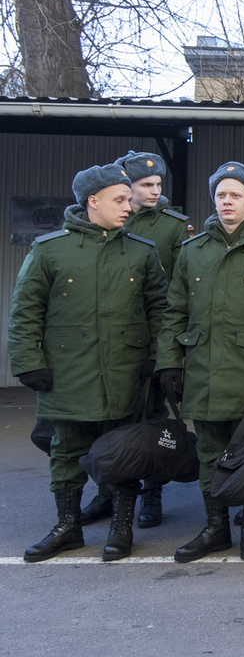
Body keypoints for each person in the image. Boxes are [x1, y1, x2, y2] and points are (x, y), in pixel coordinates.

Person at [10, 162, 167, 562]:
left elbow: (161, 312)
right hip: (69, 374)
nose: (128, 207)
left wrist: (158, 360)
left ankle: (121, 527)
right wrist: (29, 362)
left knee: (125, 451)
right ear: (92, 201)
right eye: (119, 199)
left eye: (129, 200)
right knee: (66, 451)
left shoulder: (141, 253)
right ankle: (68, 527)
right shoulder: (50, 250)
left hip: (126, 374)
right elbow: (25, 311)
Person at [157, 161, 244, 562]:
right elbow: (174, 312)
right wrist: (169, 362)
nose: (226, 202)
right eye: (220, 195)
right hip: (203, 367)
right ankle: (215, 527)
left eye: (235, 195)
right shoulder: (193, 251)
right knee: (209, 452)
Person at [104, 150, 195, 530]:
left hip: (156, 336)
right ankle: (107, 492)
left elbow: (180, 291)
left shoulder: (175, 226)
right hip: (113, 337)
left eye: (158, 184)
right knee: (110, 418)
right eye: (146, 185)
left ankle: (152, 494)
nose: (155, 191)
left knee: (153, 419)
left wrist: (168, 350)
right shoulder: (109, 223)